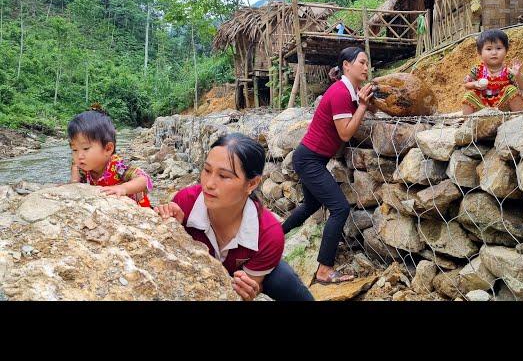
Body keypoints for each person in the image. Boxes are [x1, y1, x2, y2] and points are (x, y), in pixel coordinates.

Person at [155, 133, 314, 301]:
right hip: (198, 272)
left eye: (223, 176)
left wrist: (250, 289)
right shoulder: (184, 203)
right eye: (207, 170)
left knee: (283, 280)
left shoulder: (268, 233)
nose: (209, 184)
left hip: (243, 273)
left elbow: (245, 289)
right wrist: (170, 228)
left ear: (252, 184)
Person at [282, 46, 374, 284]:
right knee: (341, 208)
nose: (366, 67)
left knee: (310, 205)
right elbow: (344, 134)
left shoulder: (348, 90)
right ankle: (324, 269)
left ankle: (274, 237)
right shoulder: (340, 93)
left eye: (367, 63)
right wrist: (363, 107)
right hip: (310, 159)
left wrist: (365, 102)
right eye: (361, 62)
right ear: (346, 65)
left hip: (311, 158)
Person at [68, 106, 153, 207]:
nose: (79, 156)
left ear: (108, 149)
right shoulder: (83, 166)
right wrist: (74, 181)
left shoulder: (117, 166)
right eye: (74, 150)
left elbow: (144, 179)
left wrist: (123, 188)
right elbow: (75, 183)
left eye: (86, 148)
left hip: (136, 208)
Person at [461, 29, 523, 115]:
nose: (494, 52)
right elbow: (466, 85)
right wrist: (475, 84)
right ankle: (468, 124)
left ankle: (517, 118)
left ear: (506, 50)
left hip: (503, 108)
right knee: (468, 95)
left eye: (498, 48)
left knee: (512, 90)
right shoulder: (477, 69)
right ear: (480, 52)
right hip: (482, 108)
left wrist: (518, 75)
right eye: (489, 49)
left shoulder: (508, 72)